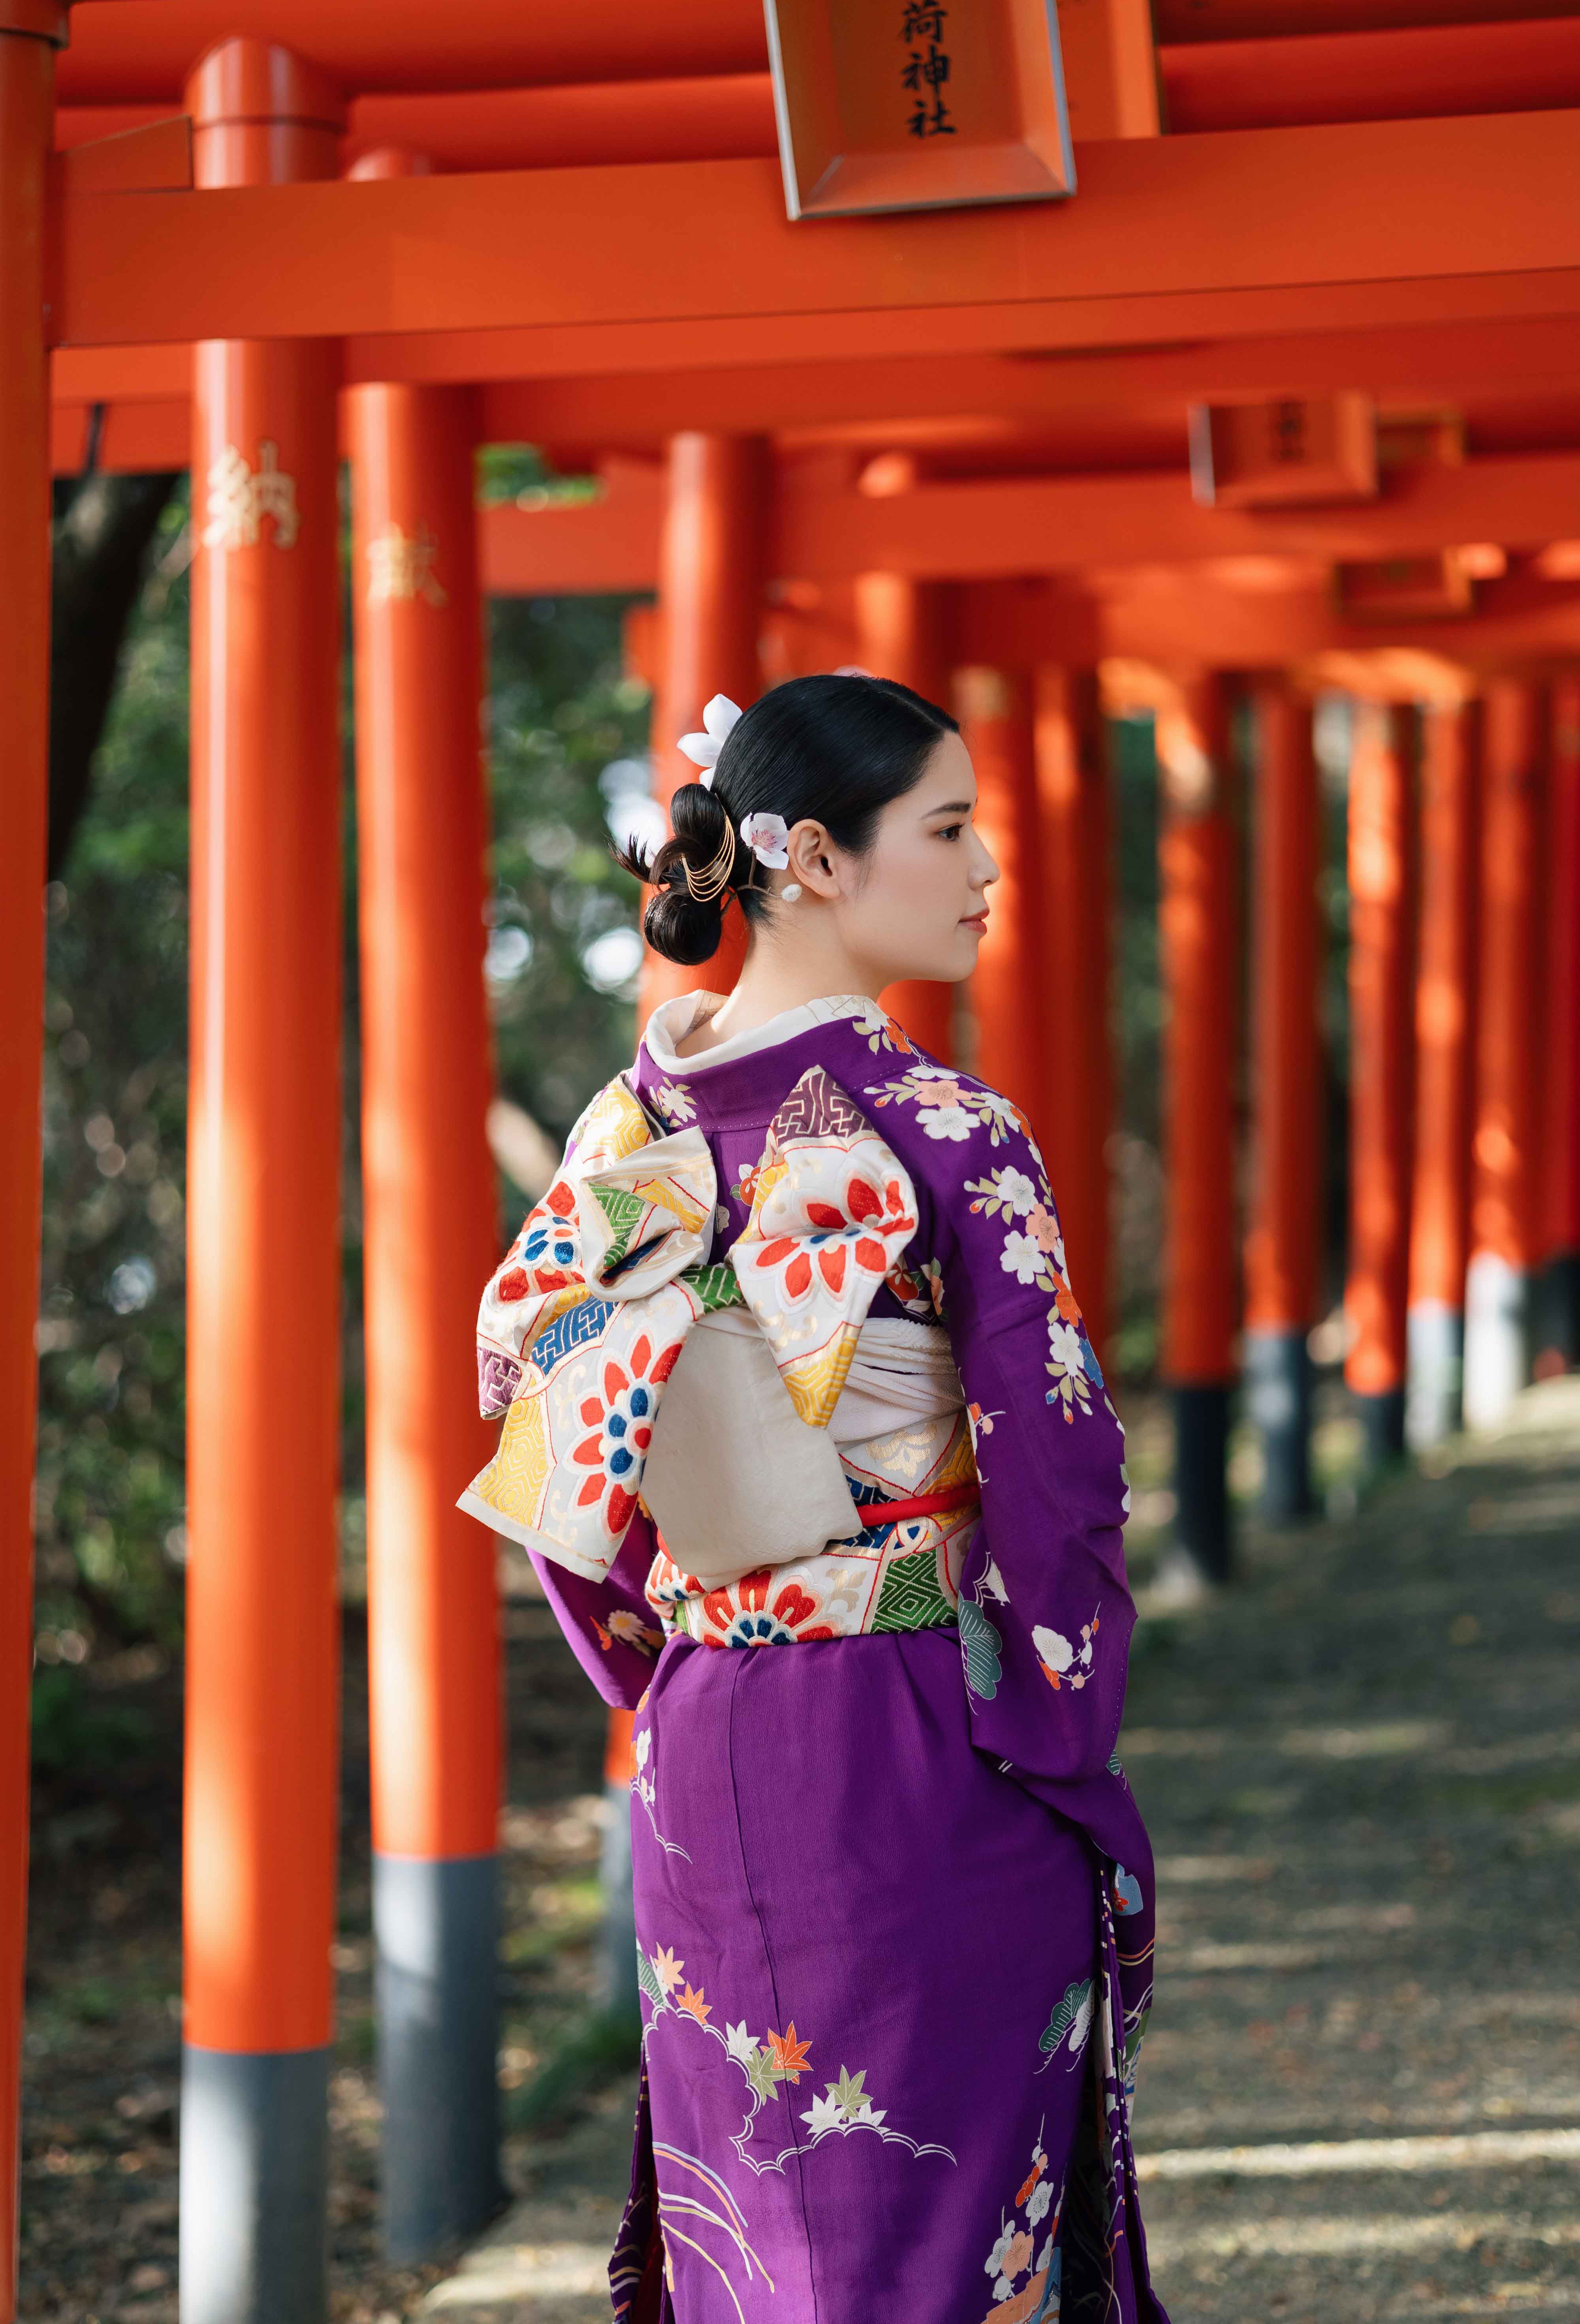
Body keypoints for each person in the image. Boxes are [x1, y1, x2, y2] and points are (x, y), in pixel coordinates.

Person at [461, 674, 1168, 2324]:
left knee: (767, 2245)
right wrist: (1062, 1737)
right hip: (924, 1738)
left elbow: (555, 1459)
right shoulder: (944, 1132)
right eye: (948, 826)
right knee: (938, 2243)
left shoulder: (615, 1139)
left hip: (707, 1743)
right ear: (817, 861)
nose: (986, 864)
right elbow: (1059, 1481)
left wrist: (670, 1664)